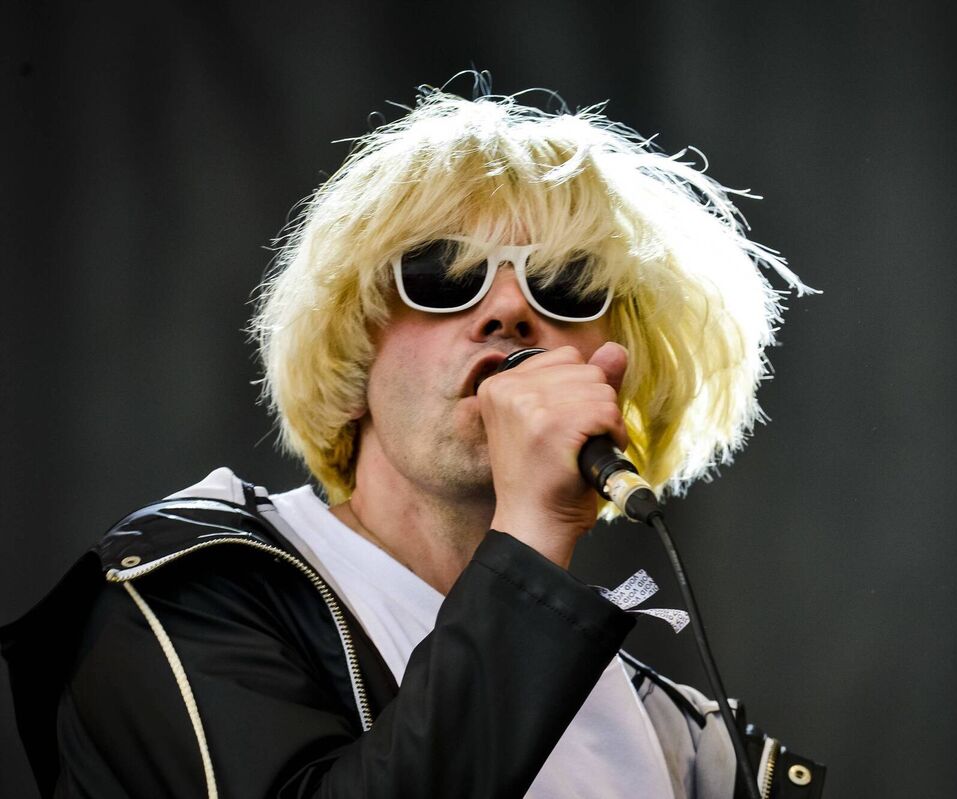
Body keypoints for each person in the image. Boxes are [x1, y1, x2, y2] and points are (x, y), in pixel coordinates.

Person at [2, 83, 824, 798]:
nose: (508, 311)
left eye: (568, 284)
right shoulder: (185, 588)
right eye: (443, 274)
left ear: (616, 367)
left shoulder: (675, 734)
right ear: (354, 344)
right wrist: (532, 545)